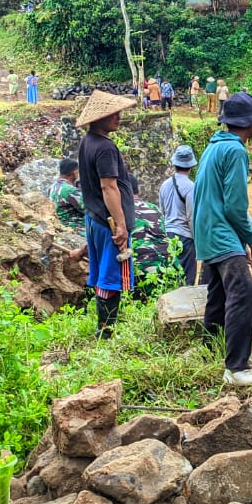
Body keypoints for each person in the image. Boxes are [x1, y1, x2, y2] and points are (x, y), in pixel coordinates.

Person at [193, 92, 252, 387]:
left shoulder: (213, 147)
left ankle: (209, 351)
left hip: (206, 233)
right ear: (250, 123)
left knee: (218, 294)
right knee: (243, 292)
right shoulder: (236, 151)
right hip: (223, 232)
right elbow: (234, 206)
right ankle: (237, 367)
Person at [75, 90, 140, 338]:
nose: (118, 117)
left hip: (95, 218)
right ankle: (106, 331)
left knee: (103, 274)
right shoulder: (104, 148)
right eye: (112, 113)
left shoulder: (88, 142)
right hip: (109, 223)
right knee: (112, 278)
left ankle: (104, 328)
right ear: (99, 118)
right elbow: (108, 187)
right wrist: (121, 226)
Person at [160, 145, 198, 286]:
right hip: (185, 238)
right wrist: (198, 241)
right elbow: (191, 217)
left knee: (172, 276)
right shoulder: (190, 187)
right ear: (191, 165)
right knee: (187, 280)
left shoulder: (164, 185)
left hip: (168, 235)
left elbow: (162, 212)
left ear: (175, 163)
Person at [48, 157, 83, 230]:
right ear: (75, 172)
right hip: (75, 226)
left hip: (60, 223)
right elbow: (87, 208)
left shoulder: (52, 187)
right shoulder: (69, 190)